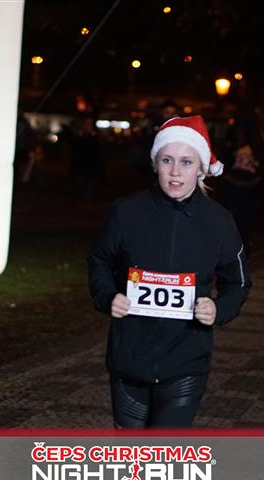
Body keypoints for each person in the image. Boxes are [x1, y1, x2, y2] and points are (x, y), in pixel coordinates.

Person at [88, 115, 251, 428]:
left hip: (186, 363)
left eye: (186, 162)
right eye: (167, 160)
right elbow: (99, 260)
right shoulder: (126, 212)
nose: (175, 171)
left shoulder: (219, 222)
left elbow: (239, 282)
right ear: (155, 164)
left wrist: (218, 309)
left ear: (201, 168)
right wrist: (107, 296)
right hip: (129, 360)